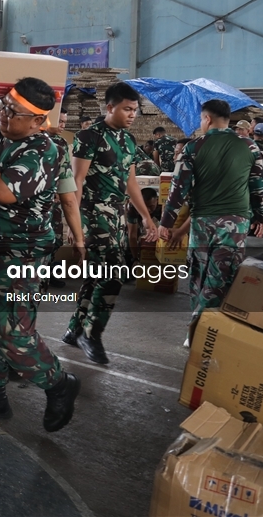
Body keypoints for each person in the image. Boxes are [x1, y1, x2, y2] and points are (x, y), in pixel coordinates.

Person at [0, 77, 80, 431]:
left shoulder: (42, 150)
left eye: (14, 112)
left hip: (17, 257)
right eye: (4, 107)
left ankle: (59, 383)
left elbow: (4, 192)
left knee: (12, 333)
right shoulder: (2, 135)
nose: (4, 115)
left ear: (39, 121)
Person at [66, 82, 158, 365]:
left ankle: (75, 329)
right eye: (127, 109)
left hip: (116, 219)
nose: (132, 115)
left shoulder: (128, 141)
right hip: (94, 219)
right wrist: (74, 226)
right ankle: (91, 335)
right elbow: (76, 181)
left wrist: (145, 216)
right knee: (113, 276)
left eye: (135, 110)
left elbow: (130, 182)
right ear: (110, 108)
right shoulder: (89, 136)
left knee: (96, 276)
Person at [158, 100, 263, 326]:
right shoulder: (250, 147)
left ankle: (198, 326)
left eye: (201, 119)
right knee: (223, 276)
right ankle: (210, 329)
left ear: (207, 118)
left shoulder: (193, 147)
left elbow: (179, 188)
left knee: (199, 274)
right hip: (236, 223)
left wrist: (166, 222)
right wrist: (260, 216)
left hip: (202, 223)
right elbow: (258, 187)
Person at [45, 109, 85, 289]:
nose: (63, 126)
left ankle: (49, 273)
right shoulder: (34, 139)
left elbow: (65, 174)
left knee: (55, 238)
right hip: (37, 202)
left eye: (65, 122)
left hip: (56, 199)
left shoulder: (61, 142)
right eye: (60, 121)